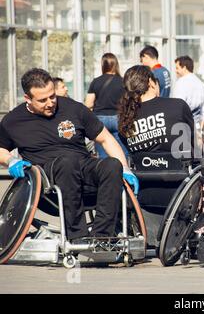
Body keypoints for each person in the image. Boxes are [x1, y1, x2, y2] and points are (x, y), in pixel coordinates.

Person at [0, 68, 139, 242]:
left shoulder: (74, 108)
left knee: (112, 165)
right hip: (47, 180)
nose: (50, 103)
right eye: (42, 100)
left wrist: (125, 167)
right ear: (28, 98)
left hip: (83, 167)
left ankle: (102, 238)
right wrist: (10, 160)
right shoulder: (13, 121)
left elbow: (105, 139)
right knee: (67, 163)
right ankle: (77, 235)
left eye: (52, 96)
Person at [118, 65, 194, 156]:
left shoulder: (125, 120)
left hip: (143, 169)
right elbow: (193, 140)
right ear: (151, 82)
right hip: (181, 168)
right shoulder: (178, 105)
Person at [85, 53, 128, 158]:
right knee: (120, 152)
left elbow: (88, 104)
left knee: (104, 153)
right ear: (116, 64)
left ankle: (106, 172)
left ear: (103, 65)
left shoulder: (96, 82)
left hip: (100, 119)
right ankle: (123, 171)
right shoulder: (123, 82)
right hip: (118, 118)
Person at [172, 56, 204, 135]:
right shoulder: (201, 84)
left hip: (183, 129)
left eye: (177, 68)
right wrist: (200, 130)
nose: (176, 71)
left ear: (184, 68)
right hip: (197, 129)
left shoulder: (180, 83)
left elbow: (177, 108)